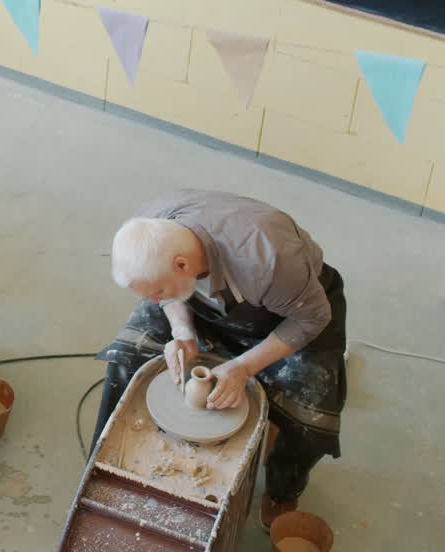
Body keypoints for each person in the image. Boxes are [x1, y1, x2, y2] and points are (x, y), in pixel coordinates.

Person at [95, 189, 347, 529]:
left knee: (309, 417)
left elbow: (314, 318)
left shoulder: (269, 261)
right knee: (126, 357)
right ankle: (107, 463)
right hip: (203, 296)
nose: (153, 301)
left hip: (291, 310)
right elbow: (164, 294)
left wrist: (244, 367)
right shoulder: (150, 227)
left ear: (182, 264)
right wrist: (182, 330)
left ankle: (283, 489)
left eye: (157, 293)